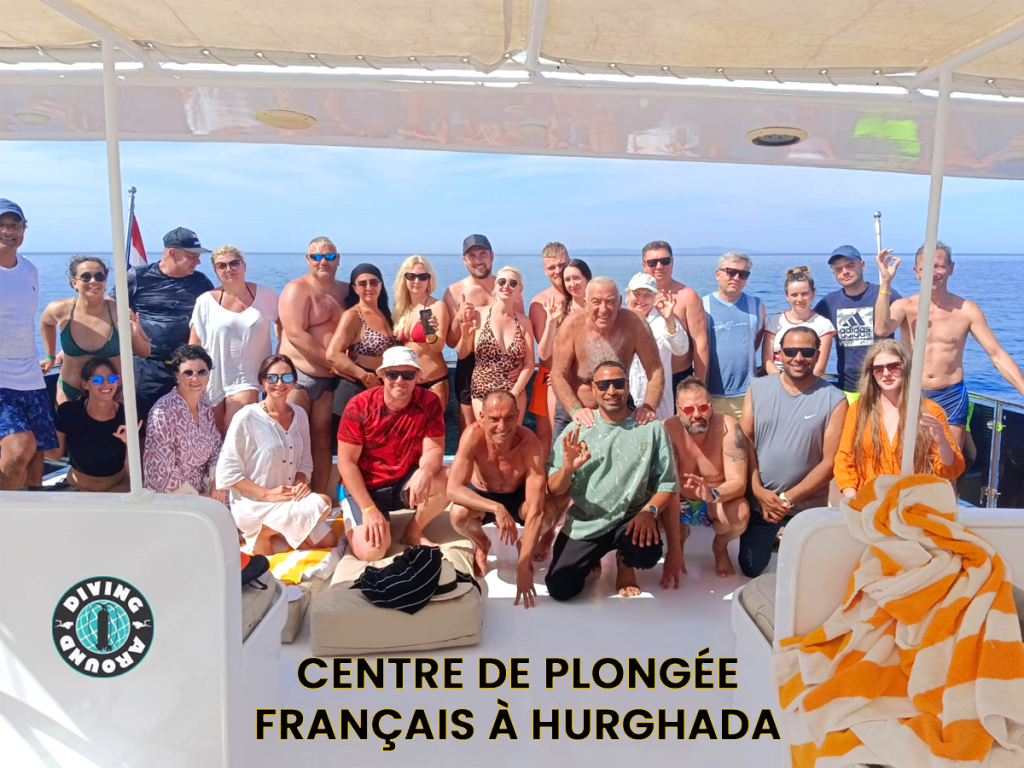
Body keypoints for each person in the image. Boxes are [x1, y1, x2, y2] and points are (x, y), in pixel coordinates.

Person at [545, 361, 683, 600]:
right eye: (603, 385)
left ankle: (624, 561)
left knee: (646, 553)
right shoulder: (576, 430)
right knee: (560, 589)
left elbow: (668, 484)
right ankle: (592, 556)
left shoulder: (650, 428)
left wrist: (649, 511)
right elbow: (554, 489)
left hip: (629, 521)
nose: (611, 391)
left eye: (618, 384)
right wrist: (567, 469)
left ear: (628, 386)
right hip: (586, 523)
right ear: (593, 388)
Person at [874, 242, 1024, 458]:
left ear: (951, 268)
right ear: (916, 272)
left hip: (950, 395)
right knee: (909, 460)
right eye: (925, 268)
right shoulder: (905, 306)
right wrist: (885, 283)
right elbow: (881, 328)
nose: (933, 273)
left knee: (949, 462)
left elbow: (997, 355)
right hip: (912, 393)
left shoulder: (966, 310)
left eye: (939, 266)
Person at [738, 327, 847, 578]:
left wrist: (787, 499)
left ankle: (786, 535)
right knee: (751, 567)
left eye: (807, 351)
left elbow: (830, 462)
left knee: (810, 575)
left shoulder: (835, 399)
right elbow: (746, 442)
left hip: (805, 505)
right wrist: (757, 490)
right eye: (790, 351)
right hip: (761, 502)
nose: (799, 357)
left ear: (818, 354)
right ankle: (774, 537)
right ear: (780, 354)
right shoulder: (757, 388)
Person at [216, 354, 337, 555]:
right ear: (263, 382)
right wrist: (267, 494)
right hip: (254, 504)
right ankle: (262, 532)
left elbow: (305, 462)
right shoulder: (246, 417)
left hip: (287, 503)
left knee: (329, 540)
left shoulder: (299, 415)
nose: (279, 383)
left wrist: (299, 483)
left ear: (294, 381)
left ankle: (270, 534)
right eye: (272, 378)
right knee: (324, 502)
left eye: (286, 377)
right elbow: (226, 473)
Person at [336, 347, 448, 561]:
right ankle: (359, 517)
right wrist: (368, 508)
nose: (400, 380)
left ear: (417, 376)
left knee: (446, 477)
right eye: (392, 374)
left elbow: (434, 449)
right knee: (373, 552)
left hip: (401, 484)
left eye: (407, 374)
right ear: (381, 376)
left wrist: (425, 471)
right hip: (363, 487)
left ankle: (413, 532)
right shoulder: (359, 406)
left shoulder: (430, 402)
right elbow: (347, 463)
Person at [835, 340, 963, 495]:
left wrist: (942, 441)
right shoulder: (859, 410)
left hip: (914, 504)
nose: (886, 373)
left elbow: (950, 470)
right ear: (871, 373)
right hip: (869, 503)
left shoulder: (930, 410)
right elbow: (844, 459)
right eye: (878, 369)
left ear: (906, 367)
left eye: (894, 366)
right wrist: (854, 499)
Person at [447, 391, 547, 584]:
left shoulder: (529, 443)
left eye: (509, 418)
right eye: (494, 419)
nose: (502, 427)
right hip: (484, 495)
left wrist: (523, 563)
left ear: (518, 415)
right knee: (458, 514)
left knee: (548, 513)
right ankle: (482, 543)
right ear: (482, 417)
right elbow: (453, 489)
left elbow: (536, 509)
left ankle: (524, 544)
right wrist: (496, 508)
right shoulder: (472, 436)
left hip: (518, 498)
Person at [114, 227, 214, 421]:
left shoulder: (201, 282)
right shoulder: (138, 277)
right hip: (146, 368)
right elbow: (110, 310)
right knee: (143, 424)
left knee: (184, 422)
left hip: (186, 369)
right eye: (192, 256)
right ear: (172, 253)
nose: (198, 261)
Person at [549, 276, 664, 439]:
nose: (603, 309)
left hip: (619, 410)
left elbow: (655, 370)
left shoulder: (635, 324)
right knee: (561, 462)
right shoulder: (571, 326)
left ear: (619, 302)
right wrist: (575, 409)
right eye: (596, 302)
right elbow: (558, 375)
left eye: (610, 301)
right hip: (575, 410)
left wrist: (649, 407)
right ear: (586, 303)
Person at [277, 236, 348, 494]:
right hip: (299, 377)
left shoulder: (347, 291)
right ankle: (288, 500)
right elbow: (295, 335)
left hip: (330, 382)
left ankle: (319, 499)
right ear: (307, 259)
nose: (323, 262)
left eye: (329, 256)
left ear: (338, 259)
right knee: (290, 441)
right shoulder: (297, 289)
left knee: (321, 442)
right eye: (316, 257)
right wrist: (335, 364)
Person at [663, 376, 749, 577]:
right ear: (678, 409)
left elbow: (738, 482)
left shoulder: (728, 428)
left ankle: (720, 547)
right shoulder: (667, 429)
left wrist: (712, 493)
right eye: (689, 410)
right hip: (679, 499)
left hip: (714, 501)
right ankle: (679, 539)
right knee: (651, 511)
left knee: (741, 514)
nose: (697, 415)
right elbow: (666, 485)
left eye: (702, 408)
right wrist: (674, 548)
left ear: (711, 405)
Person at [188, 245, 279, 435]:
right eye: (221, 266)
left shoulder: (266, 295)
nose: (229, 269)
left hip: (250, 378)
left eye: (234, 263)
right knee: (217, 437)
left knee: (235, 433)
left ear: (244, 266)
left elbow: (283, 326)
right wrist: (190, 378)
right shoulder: (205, 301)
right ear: (215, 271)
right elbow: (194, 345)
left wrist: (278, 359)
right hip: (213, 377)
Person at [0, 199, 59, 490]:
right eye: (1, 224)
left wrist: (49, 353)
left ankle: (33, 524)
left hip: (31, 375)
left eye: (15, 225)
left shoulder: (29, 269)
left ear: (24, 229)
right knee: (19, 448)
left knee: (37, 456)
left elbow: (31, 319)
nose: (7, 231)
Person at [40, 256, 151, 404]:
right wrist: (50, 357)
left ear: (105, 283)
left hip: (112, 394)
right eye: (86, 277)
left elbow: (145, 352)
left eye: (100, 276)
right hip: (70, 392)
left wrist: (134, 336)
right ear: (74, 283)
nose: (93, 281)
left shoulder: (120, 311)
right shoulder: (60, 309)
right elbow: (45, 323)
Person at [443, 235, 523, 432]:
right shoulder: (454, 291)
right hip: (470, 365)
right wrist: (458, 319)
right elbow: (451, 342)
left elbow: (521, 329)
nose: (478, 260)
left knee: (508, 429)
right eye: (472, 256)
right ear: (465, 260)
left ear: (492, 256)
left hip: (506, 367)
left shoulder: (507, 287)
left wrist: (522, 362)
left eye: (482, 254)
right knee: (471, 430)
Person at [814, 244, 901, 399]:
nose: (845, 272)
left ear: (862, 265)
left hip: (882, 385)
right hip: (848, 387)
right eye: (838, 269)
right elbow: (808, 328)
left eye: (850, 266)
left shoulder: (886, 294)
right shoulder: (829, 302)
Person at [143, 344, 226, 502]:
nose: (195, 378)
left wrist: (216, 482)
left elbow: (216, 448)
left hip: (205, 489)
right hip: (172, 496)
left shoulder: (205, 406)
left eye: (202, 372)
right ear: (177, 376)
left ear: (208, 375)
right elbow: (161, 474)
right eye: (188, 373)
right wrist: (202, 499)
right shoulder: (162, 412)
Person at [458, 266, 535, 421]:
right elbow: (462, 354)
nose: (506, 286)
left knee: (512, 441)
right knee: (487, 440)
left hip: (514, 393)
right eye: (502, 281)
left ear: (519, 289)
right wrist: (465, 336)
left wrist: (513, 394)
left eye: (513, 283)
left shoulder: (524, 322)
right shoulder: (478, 314)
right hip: (482, 393)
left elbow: (529, 364)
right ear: (496, 286)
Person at [52, 356, 134, 492]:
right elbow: (55, 455)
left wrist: (129, 443)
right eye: (98, 380)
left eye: (112, 378)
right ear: (85, 384)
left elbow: (135, 472)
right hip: (77, 490)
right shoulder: (69, 412)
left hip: (117, 491)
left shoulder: (129, 416)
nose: (106, 384)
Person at [326, 263, 396, 421]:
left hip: (379, 390)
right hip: (355, 390)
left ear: (381, 284)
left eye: (374, 282)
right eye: (362, 284)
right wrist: (363, 376)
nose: (369, 287)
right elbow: (333, 354)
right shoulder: (353, 316)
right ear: (355, 288)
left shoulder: (385, 313)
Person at [702, 252, 765, 420]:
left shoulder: (756, 305)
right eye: (731, 272)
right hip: (711, 394)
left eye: (743, 274)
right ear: (718, 274)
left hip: (746, 394)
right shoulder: (703, 306)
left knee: (746, 443)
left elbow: (755, 341)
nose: (736, 278)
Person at [641, 240, 709, 392]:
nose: (659, 267)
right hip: (644, 380)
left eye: (664, 261)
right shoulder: (636, 297)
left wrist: (699, 386)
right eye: (652, 263)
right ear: (644, 266)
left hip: (678, 379)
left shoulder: (688, 297)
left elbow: (700, 343)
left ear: (672, 263)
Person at [625, 273, 690, 420]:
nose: (641, 299)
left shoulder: (664, 322)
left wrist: (670, 320)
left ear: (654, 297)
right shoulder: (618, 322)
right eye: (637, 294)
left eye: (647, 294)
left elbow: (681, 349)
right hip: (626, 406)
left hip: (658, 408)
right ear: (628, 294)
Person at [528, 242, 570, 457]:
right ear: (545, 270)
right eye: (552, 267)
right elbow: (546, 350)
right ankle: (546, 488)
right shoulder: (539, 302)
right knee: (545, 438)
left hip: (577, 378)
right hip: (547, 377)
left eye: (562, 265)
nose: (558, 271)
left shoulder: (584, 296)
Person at [392, 254, 450, 407]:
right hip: (405, 383)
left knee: (433, 431)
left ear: (429, 279)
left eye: (422, 276)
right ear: (404, 279)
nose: (416, 281)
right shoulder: (400, 309)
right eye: (411, 276)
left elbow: (438, 347)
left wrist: (430, 333)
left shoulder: (437, 307)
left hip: (433, 382)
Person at [763, 266, 834, 378]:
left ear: (813, 293)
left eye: (804, 294)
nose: (800, 299)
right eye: (794, 295)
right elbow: (767, 360)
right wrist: (782, 383)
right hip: (776, 380)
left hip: (808, 383)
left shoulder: (823, 324)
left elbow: (819, 369)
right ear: (787, 296)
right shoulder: (775, 320)